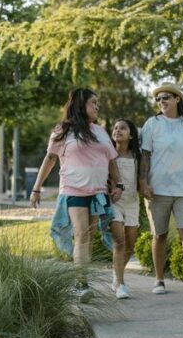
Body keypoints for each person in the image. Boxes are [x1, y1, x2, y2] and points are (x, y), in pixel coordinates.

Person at [31, 88, 121, 302]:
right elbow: (50, 159)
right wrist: (36, 188)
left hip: (98, 192)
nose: (97, 107)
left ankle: (80, 280)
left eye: (98, 103)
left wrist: (119, 185)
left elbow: (112, 161)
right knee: (81, 234)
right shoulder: (63, 130)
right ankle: (81, 284)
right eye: (93, 103)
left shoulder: (100, 131)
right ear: (81, 105)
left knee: (88, 237)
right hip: (74, 190)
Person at [138, 82, 183, 296]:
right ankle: (159, 280)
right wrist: (143, 183)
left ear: (177, 99)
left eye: (166, 97)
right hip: (158, 189)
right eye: (158, 99)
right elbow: (145, 156)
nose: (161, 102)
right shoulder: (152, 124)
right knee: (159, 235)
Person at [108, 118, 141, 299]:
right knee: (119, 241)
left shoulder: (137, 156)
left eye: (122, 128)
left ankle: (116, 273)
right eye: (115, 128)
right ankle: (120, 285)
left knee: (130, 244)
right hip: (115, 203)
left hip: (132, 203)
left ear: (131, 134)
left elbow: (142, 179)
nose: (117, 131)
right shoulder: (108, 155)